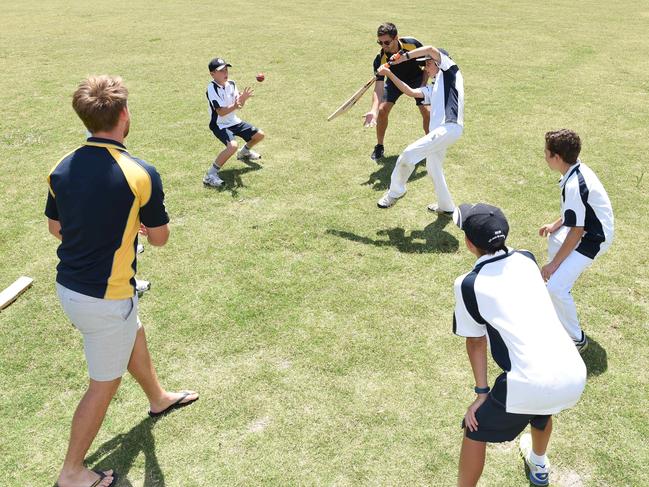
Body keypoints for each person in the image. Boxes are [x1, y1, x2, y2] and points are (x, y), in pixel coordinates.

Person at [46, 75, 198, 487]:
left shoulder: (61, 165)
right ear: (125, 115)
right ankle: (72, 472)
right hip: (105, 298)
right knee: (103, 385)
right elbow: (161, 238)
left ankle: (158, 398)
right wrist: (137, 230)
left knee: (135, 332)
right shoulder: (140, 172)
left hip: (71, 288)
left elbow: (55, 227)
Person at [452, 203, 586, 487]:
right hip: (571, 371)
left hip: (531, 381)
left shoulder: (468, 284)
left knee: (474, 427)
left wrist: (481, 393)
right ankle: (539, 464)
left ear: (468, 243)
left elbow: (476, 342)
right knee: (540, 407)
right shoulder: (526, 258)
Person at [539, 129, 614, 351]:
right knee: (554, 239)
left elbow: (577, 231)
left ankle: (577, 339)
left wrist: (553, 265)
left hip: (595, 238)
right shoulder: (573, 170)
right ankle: (561, 285)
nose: (544, 156)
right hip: (587, 229)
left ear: (557, 157)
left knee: (554, 288)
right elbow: (576, 211)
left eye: (546, 153)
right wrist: (556, 224)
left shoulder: (574, 184)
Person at [375, 45, 464, 213]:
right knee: (433, 168)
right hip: (442, 132)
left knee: (408, 155)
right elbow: (411, 92)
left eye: (428, 63)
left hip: (449, 128)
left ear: (439, 63)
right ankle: (446, 207)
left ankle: (395, 192)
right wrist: (389, 74)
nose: (425, 67)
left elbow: (430, 49)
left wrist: (402, 57)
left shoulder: (449, 71)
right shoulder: (435, 86)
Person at [363, 22, 430, 161]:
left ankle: (430, 147)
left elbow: (427, 66)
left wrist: (423, 86)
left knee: (426, 111)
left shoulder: (412, 44)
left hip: (417, 79)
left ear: (396, 38)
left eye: (387, 42)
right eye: (380, 43)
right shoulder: (380, 58)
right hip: (394, 81)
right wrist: (373, 110)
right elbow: (379, 87)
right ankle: (379, 146)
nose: (383, 46)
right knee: (382, 110)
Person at [203, 57, 265, 188]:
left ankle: (244, 153)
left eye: (226, 70)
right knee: (232, 146)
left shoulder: (232, 83)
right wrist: (236, 105)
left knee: (259, 135)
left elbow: (239, 105)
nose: (225, 73)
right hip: (220, 124)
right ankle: (210, 175)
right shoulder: (212, 88)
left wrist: (243, 99)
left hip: (234, 121)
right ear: (212, 74)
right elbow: (220, 112)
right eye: (221, 71)